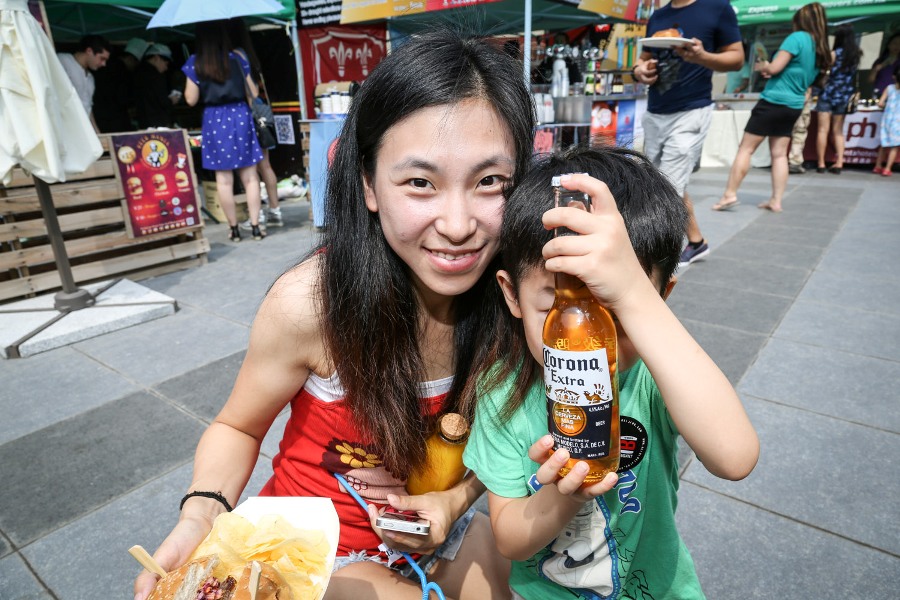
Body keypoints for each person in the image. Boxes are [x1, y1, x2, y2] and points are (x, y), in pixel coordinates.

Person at [133, 30, 536, 600]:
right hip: (310, 557)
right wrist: (201, 518)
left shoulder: (522, 298)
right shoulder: (312, 303)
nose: (457, 223)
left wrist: (454, 500)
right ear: (369, 184)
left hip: (438, 538)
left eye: (490, 182)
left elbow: (512, 444)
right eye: (420, 182)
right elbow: (237, 425)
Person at [464, 147, 759, 599]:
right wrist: (564, 495)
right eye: (558, 310)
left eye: (615, 313)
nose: (590, 346)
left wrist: (634, 297)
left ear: (657, 298)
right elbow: (508, 537)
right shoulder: (501, 394)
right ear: (513, 296)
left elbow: (734, 457)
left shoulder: (656, 379)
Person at [631, 0, 744, 267]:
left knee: (667, 184)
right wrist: (639, 71)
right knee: (667, 180)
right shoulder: (659, 16)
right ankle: (696, 242)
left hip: (691, 110)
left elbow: (737, 58)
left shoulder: (717, 7)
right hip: (657, 110)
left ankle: (656, 257)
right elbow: (644, 59)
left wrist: (703, 57)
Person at [713, 2, 830, 213]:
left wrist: (764, 67)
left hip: (773, 101)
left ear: (800, 21)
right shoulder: (820, 48)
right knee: (779, 154)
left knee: (746, 149)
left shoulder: (797, 38)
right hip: (794, 105)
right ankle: (776, 200)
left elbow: (775, 67)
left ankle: (729, 195)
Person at [182, 20, 264, 242]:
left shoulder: (194, 62)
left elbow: (190, 99)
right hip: (240, 116)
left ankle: (234, 230)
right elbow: (253, 92)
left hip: (214, 120)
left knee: (224, 180)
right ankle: (256, 227)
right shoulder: (237, 58)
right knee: (250, 177)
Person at [228, 18, 284, 230]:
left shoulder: (235, 55)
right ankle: (275, 210)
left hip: (249, 115)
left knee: (250, 169)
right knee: (265, 166)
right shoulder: (249, 52)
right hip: (260, 112)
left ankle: (258, 215)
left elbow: (248, 93)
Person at [815, 24, 862, 175]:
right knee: (838, 132)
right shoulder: (856, 55)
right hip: (844, 95)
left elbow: (824, 72)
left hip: (829, 93)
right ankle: (839, 162)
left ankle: (821, 163)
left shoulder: (834, 54)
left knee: (823, 130)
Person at [93, 37, 148, 133]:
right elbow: (122, 97)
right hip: (115, 119)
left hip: (99, 115)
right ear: (131, 59)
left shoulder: (105, 66)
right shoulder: (122, 72)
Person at [57, 34, 111, 131]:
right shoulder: (63, 61)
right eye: (102, 58)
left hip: (82, 132)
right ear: (89, 51)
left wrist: (97, 134)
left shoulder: (90, 79)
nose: (103, 64)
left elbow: (88, 108)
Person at [135, 43, 178, 129]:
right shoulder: (156, 76)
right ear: (156, 58)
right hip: (158, 123)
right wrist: (172, 100)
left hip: (143, 122)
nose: (166, 68)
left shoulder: (137, 72)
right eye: (166, 63)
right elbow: (163, 101)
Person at [873, 63, 900, 176]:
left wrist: (887, 106)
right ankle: (887, 168)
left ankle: (878, 166)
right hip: (898, 122)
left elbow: (880, 103)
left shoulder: (889, 88)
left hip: (887, 119)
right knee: (894, 146)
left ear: (894, 77)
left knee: (884, 144)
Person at [787, 87, 817, 174]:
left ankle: (779, 160)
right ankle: (794, 162)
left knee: (781, 132)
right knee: (799, 132)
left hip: (783, 99)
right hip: (800, 99)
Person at [869, 32, 900, 99]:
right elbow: (871, 80)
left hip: (896, 96)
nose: (897, 46)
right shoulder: (880, 61)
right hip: (879, 94)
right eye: (895, 43)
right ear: (889, 45)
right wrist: (877, 68)